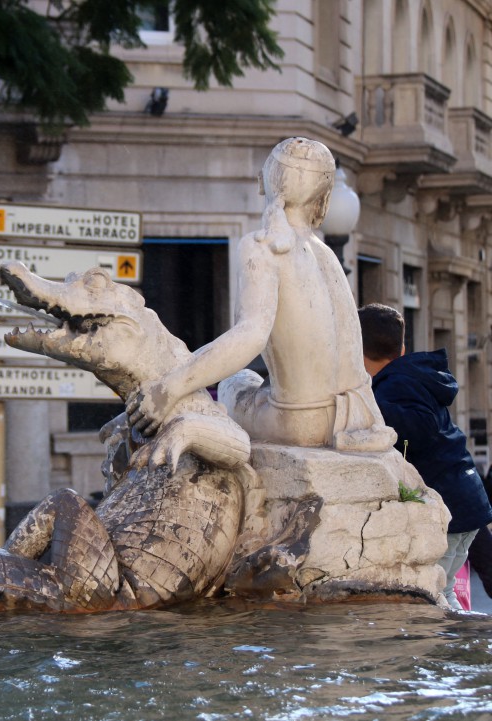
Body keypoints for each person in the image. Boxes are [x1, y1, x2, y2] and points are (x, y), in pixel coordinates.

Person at [127, 137, 394, 452]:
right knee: (252, 383)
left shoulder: (262, 246)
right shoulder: (328, 254)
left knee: (232, 384)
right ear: (323, 193)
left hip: (300, 424)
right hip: (355, 418)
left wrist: (169, 388)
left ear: (266, 181)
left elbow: (250, 336)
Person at [357, 303, 492, 609]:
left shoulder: (391, 388)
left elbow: (421, 427)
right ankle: (458, 648)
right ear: (402, 347)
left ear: (354, 347)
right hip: (465, 502)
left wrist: (372, 408)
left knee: (429, 599)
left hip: (448, 512)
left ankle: (457, 651)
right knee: (440, 595)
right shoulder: (414, 377)